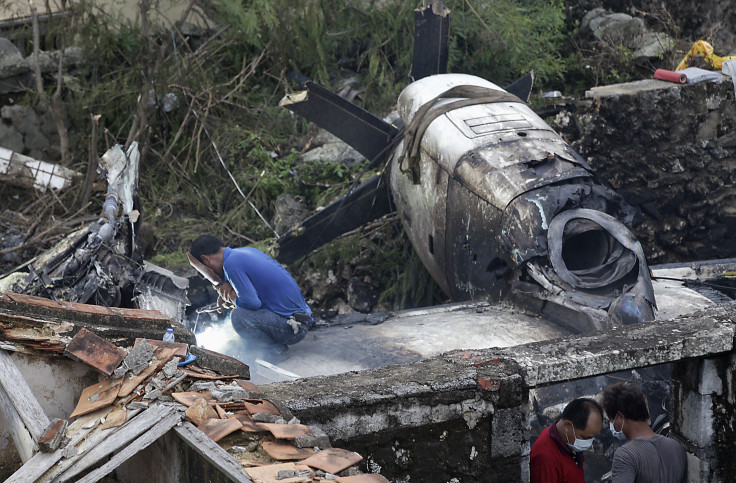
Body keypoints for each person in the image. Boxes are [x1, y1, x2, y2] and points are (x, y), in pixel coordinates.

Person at [190, 235, 312, 360]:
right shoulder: (243, 252)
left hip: (293, 329)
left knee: (239, 316)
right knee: (239, 314)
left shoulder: (231, 264)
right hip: (302, 319)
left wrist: (231, 297)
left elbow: (252, 303)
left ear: (205, 259)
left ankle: (277, 352)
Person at [601, 382, 687, 483]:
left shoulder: (625, 455)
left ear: (620, 416)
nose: (613, 426)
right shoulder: (676, 447)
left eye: (612, 420)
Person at [530, 397, 603, 483]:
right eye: (585, 437)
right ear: (568, 426)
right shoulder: (545, 461)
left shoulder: (567, 440)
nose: (588, 443)